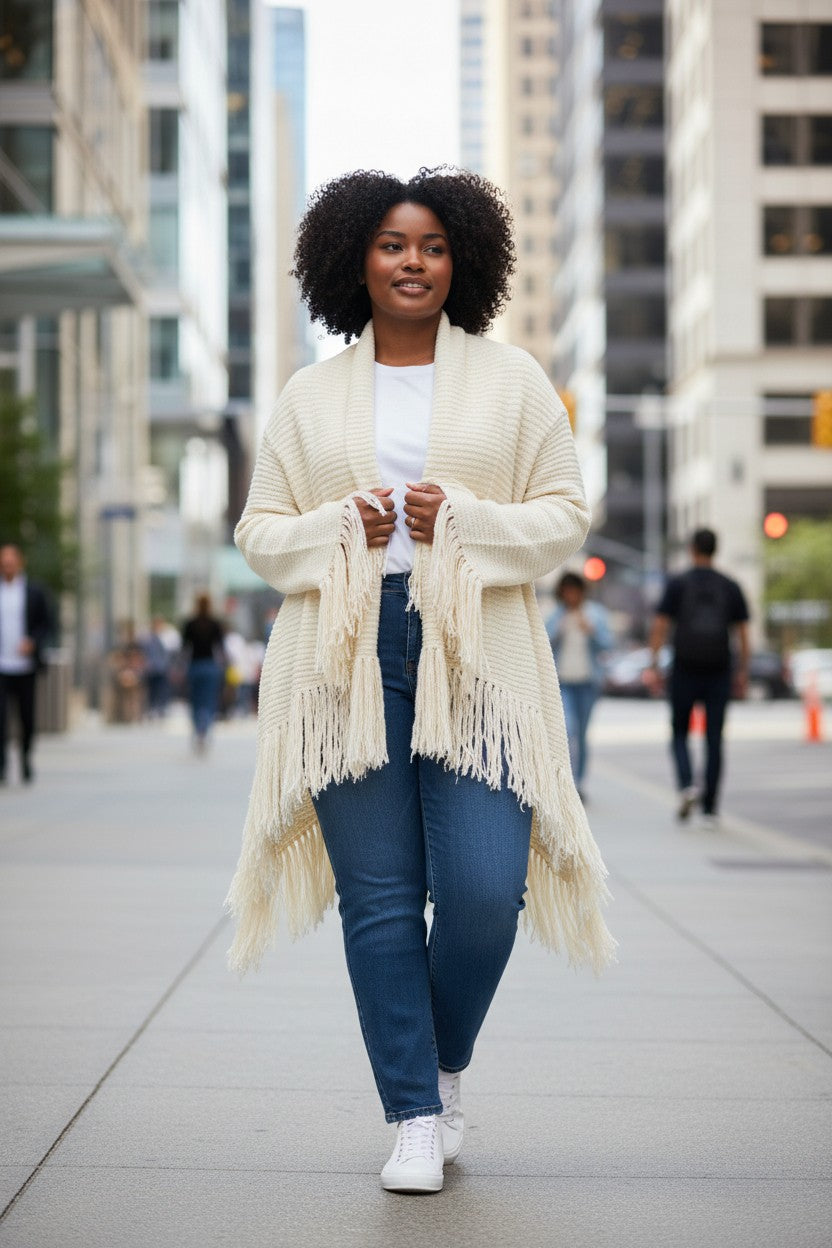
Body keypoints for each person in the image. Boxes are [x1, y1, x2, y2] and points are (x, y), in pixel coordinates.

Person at [225, 168, 616, 1194]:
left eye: (434, 246)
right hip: (344, 662)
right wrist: (330, 530)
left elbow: (567, 513)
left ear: (464, 262)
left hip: (478, 656)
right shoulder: (311, 396)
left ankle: (439, 1069)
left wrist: (472, 524)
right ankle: (410, 1114)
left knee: (488, 890)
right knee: (383, 901)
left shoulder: (513, 380)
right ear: (355, 257)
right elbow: (258, 534)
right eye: (394, 244)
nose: (414, 262)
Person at [648, 528, 750, 827]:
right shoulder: (730, 586)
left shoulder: (678, 583)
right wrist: (742, 670)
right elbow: (742, 633)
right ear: (715, 550)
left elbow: (660, 626)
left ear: (693, 549)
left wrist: (654, 664)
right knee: (714, 738)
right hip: (719, 669)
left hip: (685, 668)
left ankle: (686, 785)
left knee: (680, 732)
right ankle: (710, 808)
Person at [546, 572, 613, 800]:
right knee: (568, 729)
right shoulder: (556, 615)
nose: (571, 594)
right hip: (563, 683)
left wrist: (591, 630)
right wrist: (559, 630)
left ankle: (579, 783)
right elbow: (544, 643)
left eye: (575, 590)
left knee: (582, 734)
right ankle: (566, 782)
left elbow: (607, 644)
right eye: (567, 590)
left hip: (588, 683)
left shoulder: (595, 614)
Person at [0, 543, 53, 784]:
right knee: (1, 718)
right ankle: (2, 765)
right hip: (2, 666)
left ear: (20, 563)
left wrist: (33, 642)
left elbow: (48, 624)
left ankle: (25, 758)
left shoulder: (34, 591)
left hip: (25, 666)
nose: (7, 565)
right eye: (3, 562)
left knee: (26, 718)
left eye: (11, 561)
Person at [181, 594, 225, 751]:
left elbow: (184, 648)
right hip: (210, 666)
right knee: (209, 701)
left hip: (195, 665)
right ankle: (205, 728)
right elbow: (220, 649)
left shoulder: (190, 624)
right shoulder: (215, 624)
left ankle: (198, 729)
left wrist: (180, 668)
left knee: (195, 700)